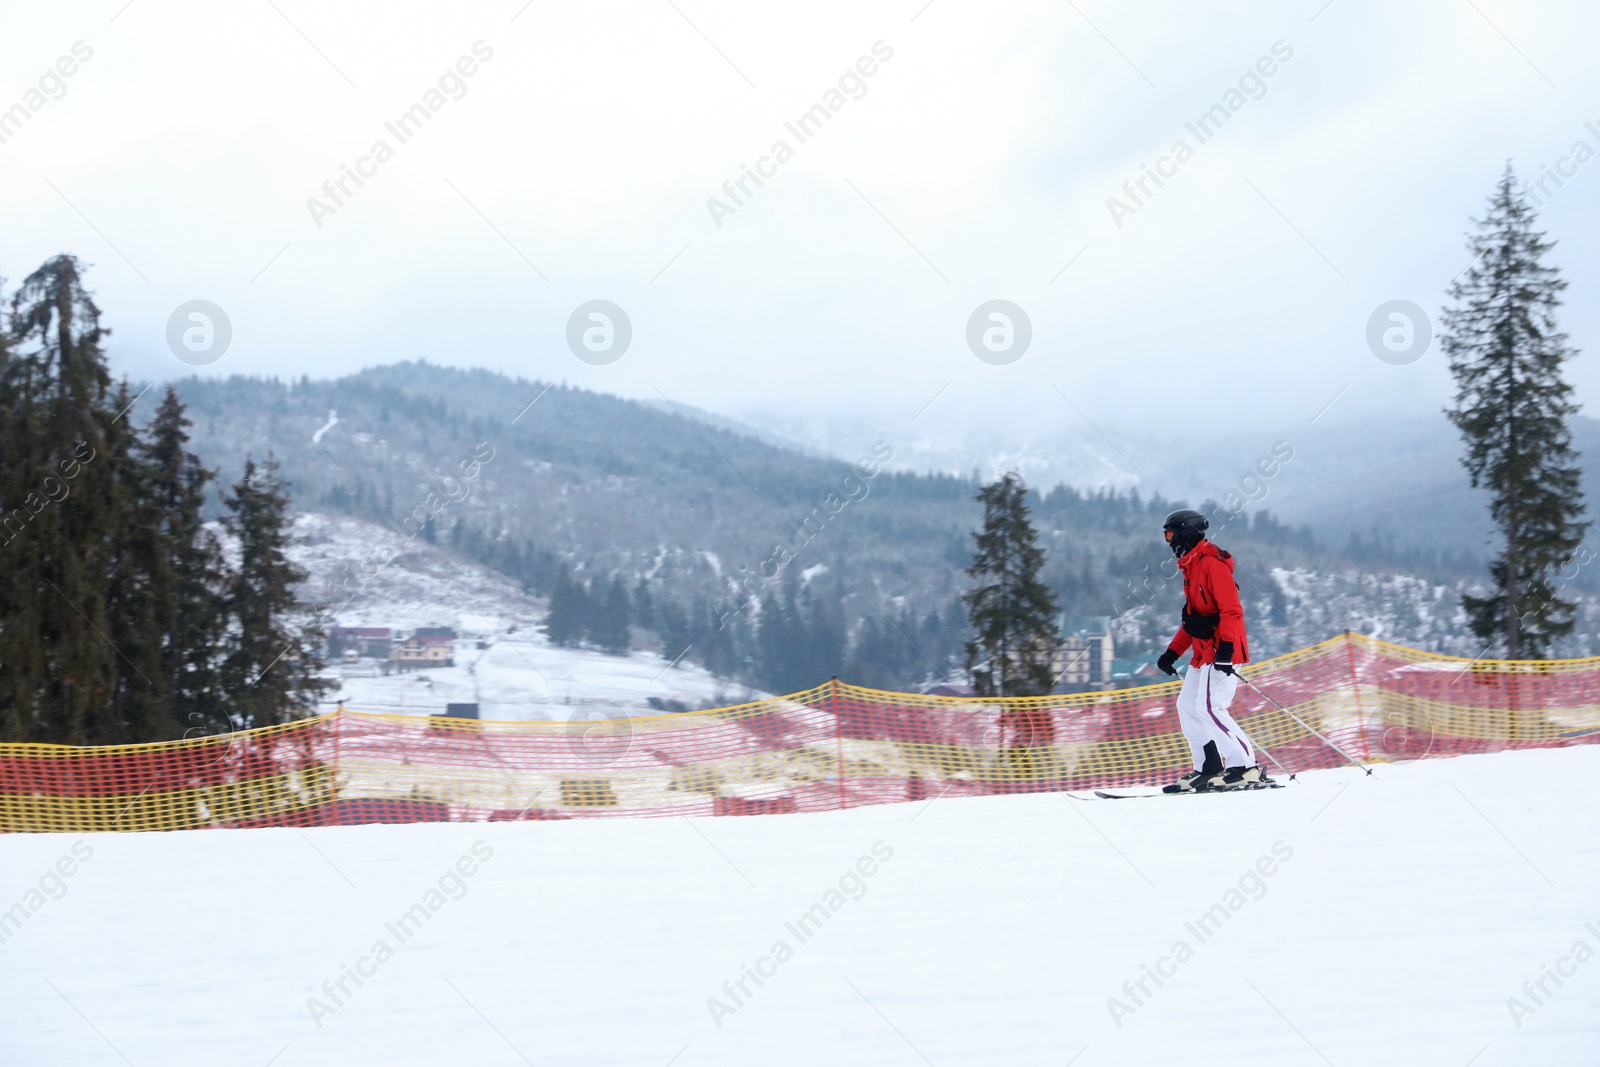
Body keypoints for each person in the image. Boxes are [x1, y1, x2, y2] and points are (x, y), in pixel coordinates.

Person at [1154, 509, 1261, 792]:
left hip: (1223, 651)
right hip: (1202, 653)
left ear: (1186, 532)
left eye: (1170, 534)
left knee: (1211, 708)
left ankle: (1244, 767)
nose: (1168, 542)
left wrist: (1226, 649)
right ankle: (1208, 767)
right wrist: (1172, 653)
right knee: (1187, 705)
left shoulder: (1212, 564)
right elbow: (1193, 621)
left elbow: (1232, 611)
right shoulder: (1190, 568)